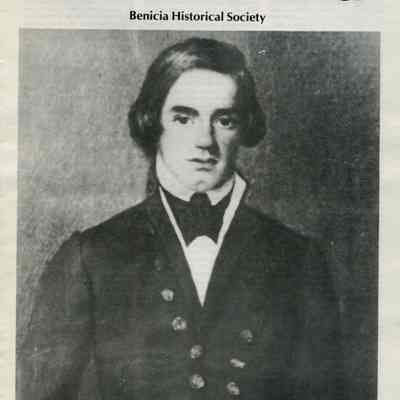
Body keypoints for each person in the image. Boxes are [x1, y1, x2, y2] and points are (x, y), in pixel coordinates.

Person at [18, 37, 345, 400]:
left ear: (243, 129)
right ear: (153, 121)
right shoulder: (89, 258)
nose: (205, 140)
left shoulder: (299, 261)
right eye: (184, 118)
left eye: (224, 120)